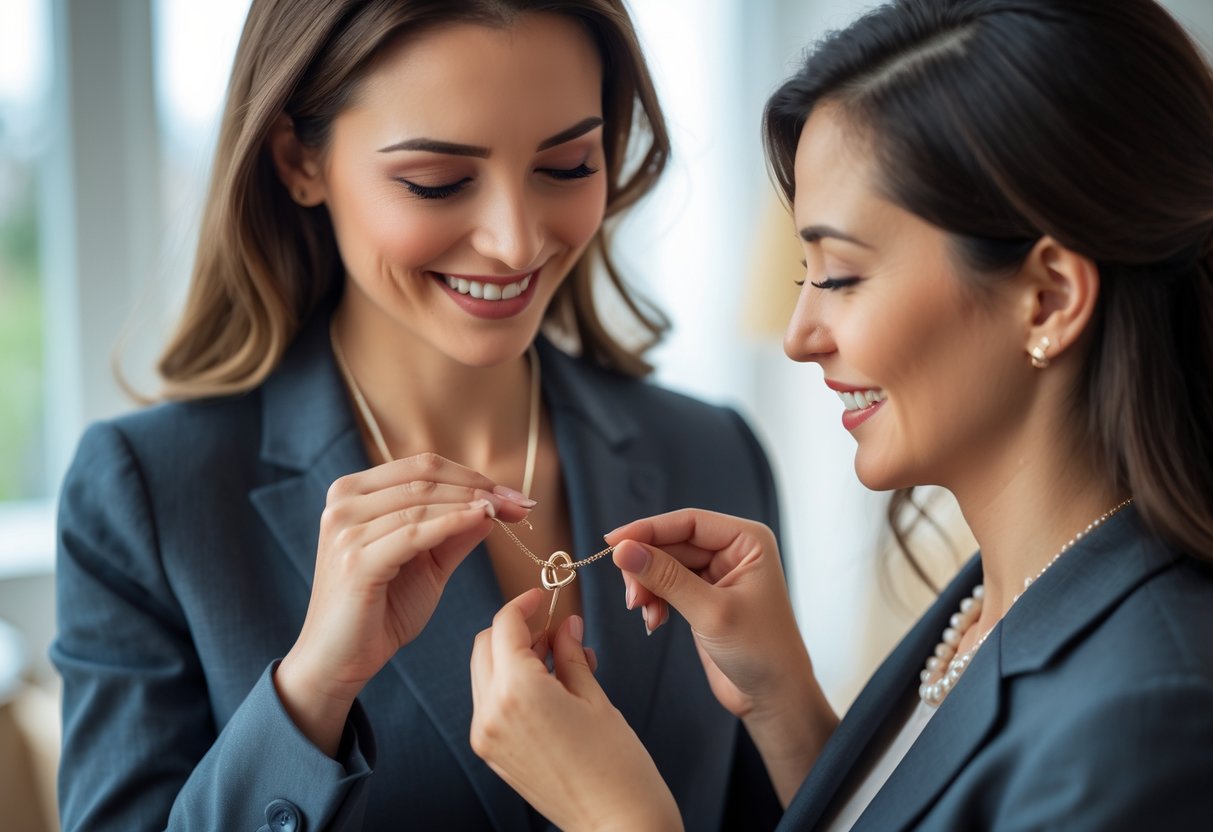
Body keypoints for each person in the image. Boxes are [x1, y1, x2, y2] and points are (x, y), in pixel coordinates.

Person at [469, 0, 1213, 828]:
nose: (799, 338)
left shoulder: (1150, 713)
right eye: (803, 273)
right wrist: (785, 709)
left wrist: (617, 818)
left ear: (1047, 298)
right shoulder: (1008, 595)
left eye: (842, 276)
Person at [50, 1, 785, 830]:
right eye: (437, 181)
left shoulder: (712, 454)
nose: (514, 241)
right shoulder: (149, 495)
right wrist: (313, 688)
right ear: (298, 160)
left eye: (568, 165)